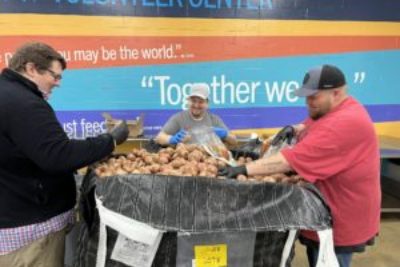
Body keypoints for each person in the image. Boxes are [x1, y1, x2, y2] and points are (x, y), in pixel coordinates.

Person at [219, 65, 381, 267]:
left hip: (342, 215)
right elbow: (314, 124)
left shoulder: (345, 122)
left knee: (329, 261)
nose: (308, 102)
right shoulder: (338, 108)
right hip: (327, 206)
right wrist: (295, 129)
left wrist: (244, 169)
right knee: (317, 256)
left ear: (336, 92)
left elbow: (289, 160)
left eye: (313, 96)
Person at [0, 42, 129, 267]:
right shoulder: (24, 104)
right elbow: (59, 156)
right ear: (31, 68)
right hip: (30, 235)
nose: (57, 83)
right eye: (54, 76)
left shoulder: (8, 95)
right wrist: (110, 140)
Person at [155, 83, 237, 146]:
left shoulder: (214, 119)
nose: (196, 105)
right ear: (189, 101)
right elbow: (159, 138)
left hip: (209, 162)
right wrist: (172, 139)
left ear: (207, 103)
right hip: (185, 163)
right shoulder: (179, 118)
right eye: (193, 101)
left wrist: (225, 135)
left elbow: (234, 141)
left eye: (200, 102)